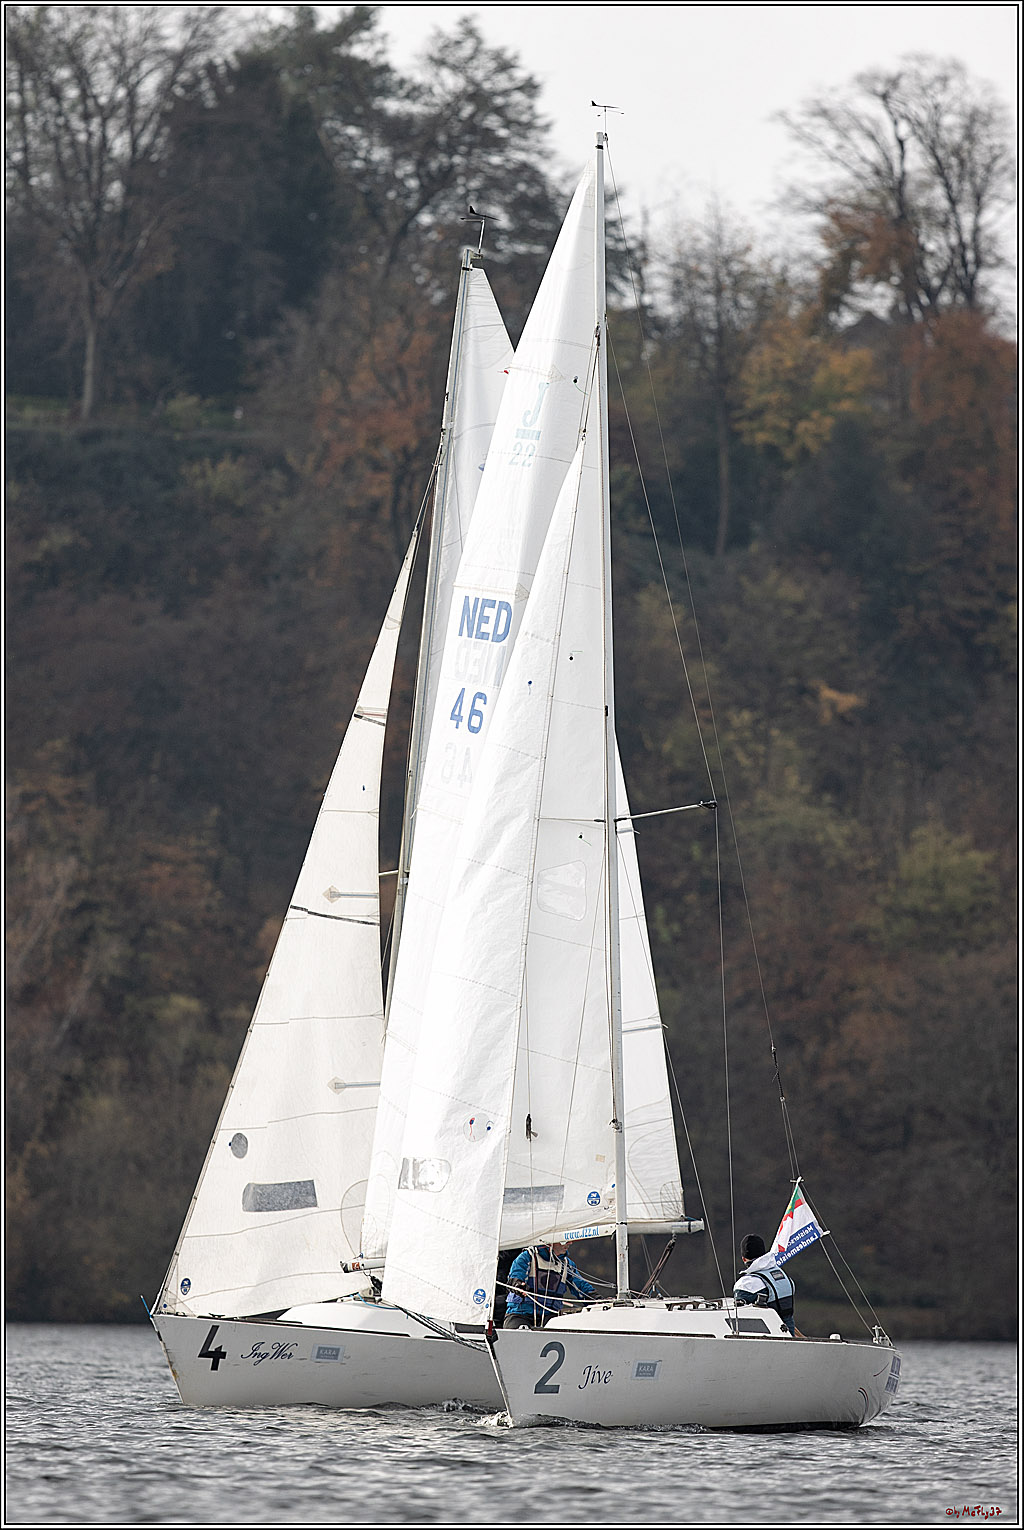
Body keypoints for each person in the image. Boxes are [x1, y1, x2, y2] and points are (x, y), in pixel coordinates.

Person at [503, 1240, 594, 1328]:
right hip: (521, 1314)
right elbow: (516, 1275)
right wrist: (518, 1285)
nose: (570, 1243)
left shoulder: (567, 1265)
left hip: (550, 1317)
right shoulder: (527, 1257)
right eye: (564, 1240)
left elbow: (581, 1286)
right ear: (550, 1241)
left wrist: (595, 1299)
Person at [732, 1233, 798, 1335]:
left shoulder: (746, 1284)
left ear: (743, 1258)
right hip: (789, 1335)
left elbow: (738, 1317)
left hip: (765, 1340)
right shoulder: (784, 1276)